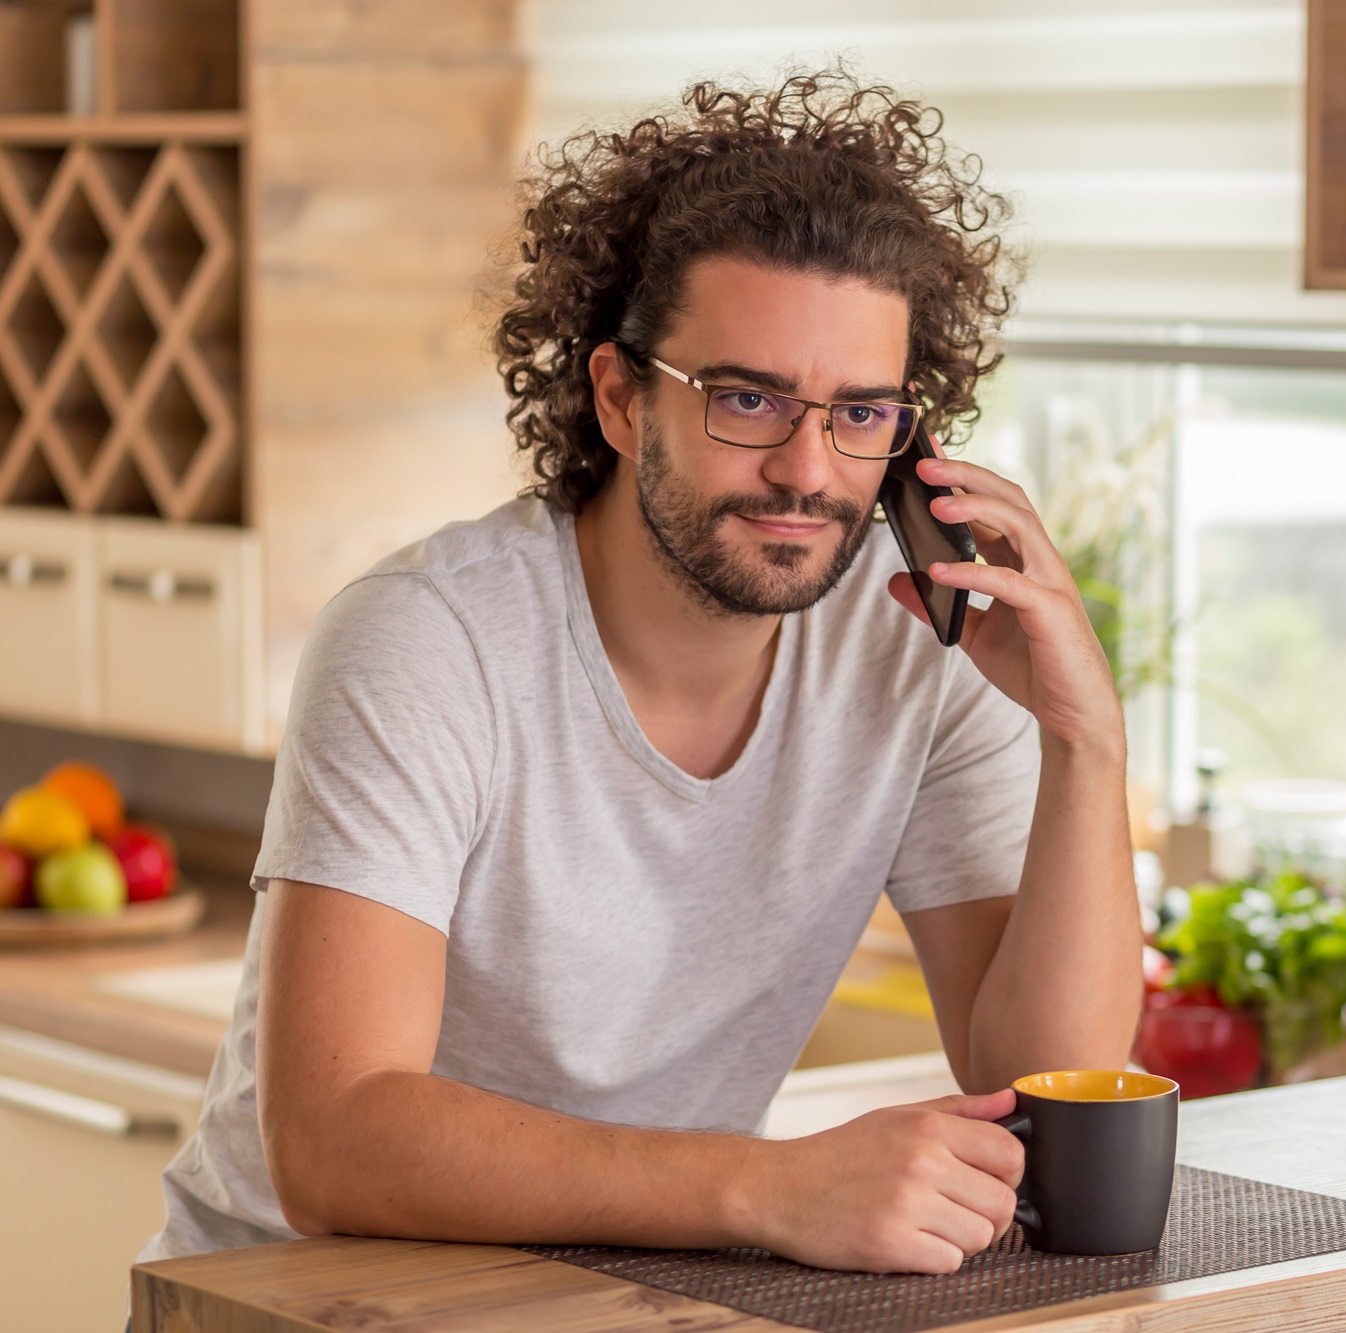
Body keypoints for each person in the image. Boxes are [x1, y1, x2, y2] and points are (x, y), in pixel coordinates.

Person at [137, 73, 1141, 1277]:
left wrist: (1085, 740)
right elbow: (332, 1140)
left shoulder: (915, 649)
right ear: (618, 398)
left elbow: (1042, 1083)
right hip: (291, 1301)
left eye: (861, 413)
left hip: (624, 1288)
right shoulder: (425, 641)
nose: (806, 470)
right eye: (747, 400)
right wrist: (771, 1183)